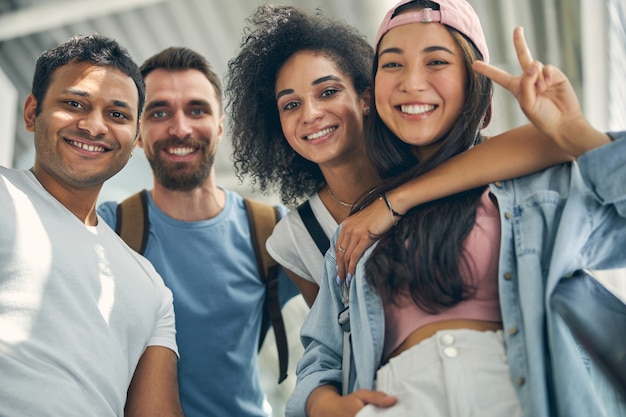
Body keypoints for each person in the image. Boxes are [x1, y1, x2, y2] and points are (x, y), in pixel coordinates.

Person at [286, 1, 626, 417]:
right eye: (392, 65)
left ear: (473, 80)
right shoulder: (357, 229)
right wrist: (327, 407)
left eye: (436, 61)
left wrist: (574, 132)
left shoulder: (542, 191)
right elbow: (321, 358)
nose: (411, 81)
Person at [226, 4, 571, 307]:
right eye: (291, 105)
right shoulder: (295, 240)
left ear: (366, 98)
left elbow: (557, 139)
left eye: (328, 92)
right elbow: (338, 348)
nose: (310, 114)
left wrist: (392, 201)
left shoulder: (430, 159)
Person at [98, 46, 299, 417]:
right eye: (159, 112)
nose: (180, 128)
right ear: (138, 132)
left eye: (197, 110)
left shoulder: (273, 230)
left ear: (220, 126)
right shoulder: (108, 229)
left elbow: (352, 310)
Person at [0, 34, 183, 417]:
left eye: (117, 115)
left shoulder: (151, 286)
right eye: (73, 104)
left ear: (134, 139)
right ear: (32, 112)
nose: (93, 126)